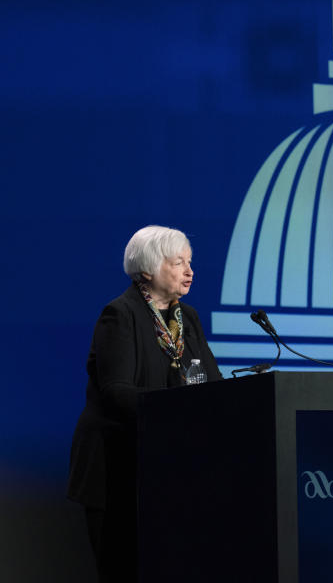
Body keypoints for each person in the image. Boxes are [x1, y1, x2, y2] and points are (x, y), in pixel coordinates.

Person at [67, 226, 222, 582]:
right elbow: (116, 391)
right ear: (148, 270)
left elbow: (210, 383)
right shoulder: (119, 315)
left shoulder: (189, 319)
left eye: (190, 262)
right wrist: (177, 411)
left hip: (170, 471)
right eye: (178, 262)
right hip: (117, 468)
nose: (189, 271)